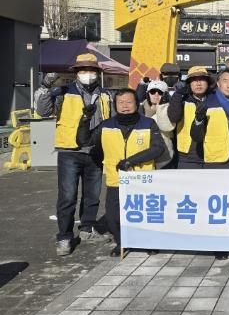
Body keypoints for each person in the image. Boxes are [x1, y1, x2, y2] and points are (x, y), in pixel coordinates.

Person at [34, 53, 113, 256]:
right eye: (84, 70)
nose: (88, 74)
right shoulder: (63, 91)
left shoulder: (105, 95)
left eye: (91, 70)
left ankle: (87, 229)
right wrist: (45, 87)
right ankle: (64, 237)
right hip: (70, 151)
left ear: (97, 72)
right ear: (77, 72)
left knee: (92, 195)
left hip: (96, 151)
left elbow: (111, 120)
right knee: (68, 196)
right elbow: (43, 111)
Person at [77, 88, 165, 257]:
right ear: (115, 105)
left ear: (136, 103)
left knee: (145, 214)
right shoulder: (106, 125)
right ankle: (122, 242)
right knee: (113, 217)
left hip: (142, 179)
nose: (125, 106)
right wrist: (85, 119)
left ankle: (148, 242)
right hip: (116, 179)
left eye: (129, 102)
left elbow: (158, 148)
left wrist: (131, 161)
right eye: (121, 103)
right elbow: (83, 141)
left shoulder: (148, 123)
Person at [190, 68, 229, 169]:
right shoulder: (207, 103)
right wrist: (198, 120)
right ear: (218, 83)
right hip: (215, 162)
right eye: (225, 81)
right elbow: (196, 137)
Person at [168, 65, 215, 169]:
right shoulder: (181, 99)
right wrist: (177, 96)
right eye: (194, 80)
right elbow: (173, 117)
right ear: (189, 84)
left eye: (202, 79)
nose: (198, 83)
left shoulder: (216, 99)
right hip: (187, 155)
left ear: (208, 82)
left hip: (213, 154)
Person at [140, 80, 174, 168]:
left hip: (165, 158)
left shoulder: (170, 109)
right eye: (152, 92)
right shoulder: (139, 109)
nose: (156, 94)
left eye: (160, 92)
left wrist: (161, 107)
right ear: (148, 94)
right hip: (143, 157)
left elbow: (167, 127)